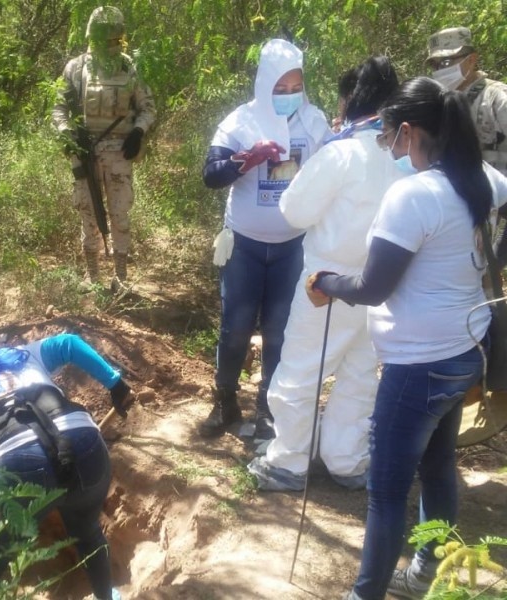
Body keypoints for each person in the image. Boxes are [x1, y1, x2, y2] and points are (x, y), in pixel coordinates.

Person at [302, 77, 507, 600]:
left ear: (410, 132)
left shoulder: (412, 195)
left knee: (387, 489)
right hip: (465, 350)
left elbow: (372, 287)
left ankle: (365, 594)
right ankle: (424, 572)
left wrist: (326, 283)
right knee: (438, 466)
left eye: (390, 138)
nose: (390, 148)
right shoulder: (482, 179)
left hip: (418, 365)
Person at [248, 56, 401, 491]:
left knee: (300, 371)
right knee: (358, 374)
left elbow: (294, 210)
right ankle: (346, 461)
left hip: (327, 285)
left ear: (350, 99)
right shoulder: (403, 154)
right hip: (382, 286)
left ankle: (289, 463)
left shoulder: (342, 152)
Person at [198, 38, 330, 443]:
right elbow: (211, 174)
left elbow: (333, 172)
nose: (289, 97)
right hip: (246, 243)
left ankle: (268, 410)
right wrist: (249, 157)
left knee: (279, 330)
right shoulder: (241, 122)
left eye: (295, 89)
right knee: (235, 326)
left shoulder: (315, 123)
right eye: (280, 89)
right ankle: (224, 401)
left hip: (293, 246)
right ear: (264, 86)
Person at [0, 333, 133, 600]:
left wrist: (11, 519)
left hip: (16, 459)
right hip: (85, 444)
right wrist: (116, 384)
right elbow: (69, 343)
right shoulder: (21, 356)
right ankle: (106, 597)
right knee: (87, 532)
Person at [51, 6, 156, 291]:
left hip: (120, 152)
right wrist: (67, 134)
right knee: (88, 213)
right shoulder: (75, 68)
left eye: (111, 39)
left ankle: (120, 278)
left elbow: (148, 108)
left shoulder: (130, 68)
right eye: (100, 39)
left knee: (120, 214)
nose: (106, 46)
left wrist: (138, 131)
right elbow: (58, 109)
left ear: (120, 38)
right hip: (85, 152)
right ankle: (92, 275)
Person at [427, 26, 507, 174]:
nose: (439, 71)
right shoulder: (440, 103)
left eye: (445, 62)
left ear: (471, 59)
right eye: (434, 65)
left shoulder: (497, 99)